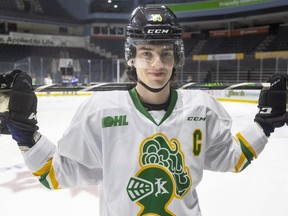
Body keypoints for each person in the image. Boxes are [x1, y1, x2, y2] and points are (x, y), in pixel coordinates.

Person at [0, 6, 287, 216]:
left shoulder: (201, 108)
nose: (157, 64)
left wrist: (264, 124)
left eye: (166, 53)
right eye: (146, 53)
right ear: (131, 59)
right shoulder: (99, 112)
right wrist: (26, 135)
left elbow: (231, 159)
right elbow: (56, 174)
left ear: (177, 57)